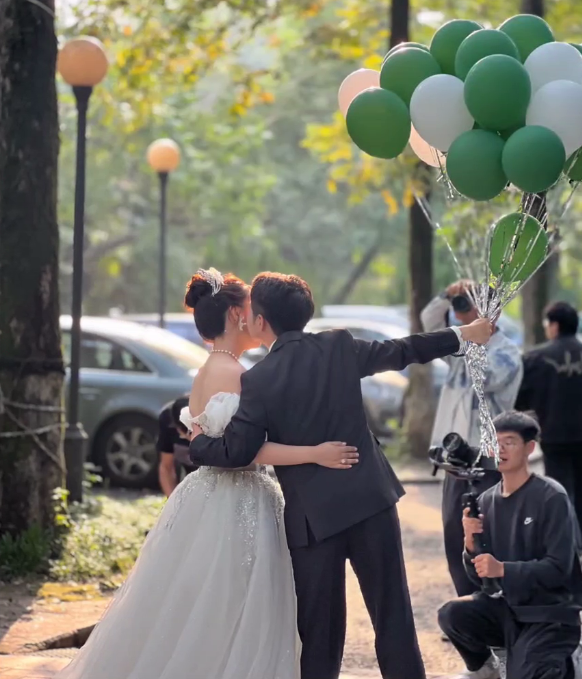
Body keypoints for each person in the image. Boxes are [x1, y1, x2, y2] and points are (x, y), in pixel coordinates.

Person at [57, 269, 360, 679]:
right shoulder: (231, 373)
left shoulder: (213, 367)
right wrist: (315, 453)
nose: (258, 316)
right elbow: (243, 452)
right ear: (236, 315)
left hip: (214, 495)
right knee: (232, 605)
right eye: (252, 308)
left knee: (207, 602)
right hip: (235, 499)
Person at [190, 271, 493, 679]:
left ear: (260, 321)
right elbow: (403, 350)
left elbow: (237, 450)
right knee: (394, 618)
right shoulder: (338, 345)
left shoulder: (259, 379)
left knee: (320, 633)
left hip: (313, 522)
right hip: (371, 501)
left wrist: (197, 440)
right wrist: (463, 335)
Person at [438, 411, 582, 679]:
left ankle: (572, 660)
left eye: (510, 442)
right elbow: (481, 578)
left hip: (550, 614)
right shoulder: (486, 501)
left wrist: (503, 569)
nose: (501, 449)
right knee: (452, 614)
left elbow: (559, 569)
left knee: (530, 673)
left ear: (530, 448)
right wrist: (470, 544)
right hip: (508, 609)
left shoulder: (551, 496)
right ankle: (487, 668)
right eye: (495, 443)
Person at [421, 280, 522, 598]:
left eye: (473, 304)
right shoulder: (460, 346)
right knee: (455, 538)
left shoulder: (506, 353)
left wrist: (471, 334)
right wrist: (447, 296)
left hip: (488, 463)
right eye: (465, 303)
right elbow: (429, 323)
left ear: (495, 311)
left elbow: (485, 377)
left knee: (487, 538)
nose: (466, 310)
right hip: (454, 462)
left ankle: (492, 606)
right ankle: (467, 605)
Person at [516, 301, 582, 554]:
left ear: (554, 326)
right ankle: (581, 540)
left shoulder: (535, 358)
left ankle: (570, 544)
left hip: (554, 435)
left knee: (560, 489)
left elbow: (520, 399)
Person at [157, 394, 194, 496]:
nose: (192, 438)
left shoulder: (221, 418)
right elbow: (166, 467)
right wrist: (172, 502)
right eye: (188, 433)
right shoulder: (168, 418)